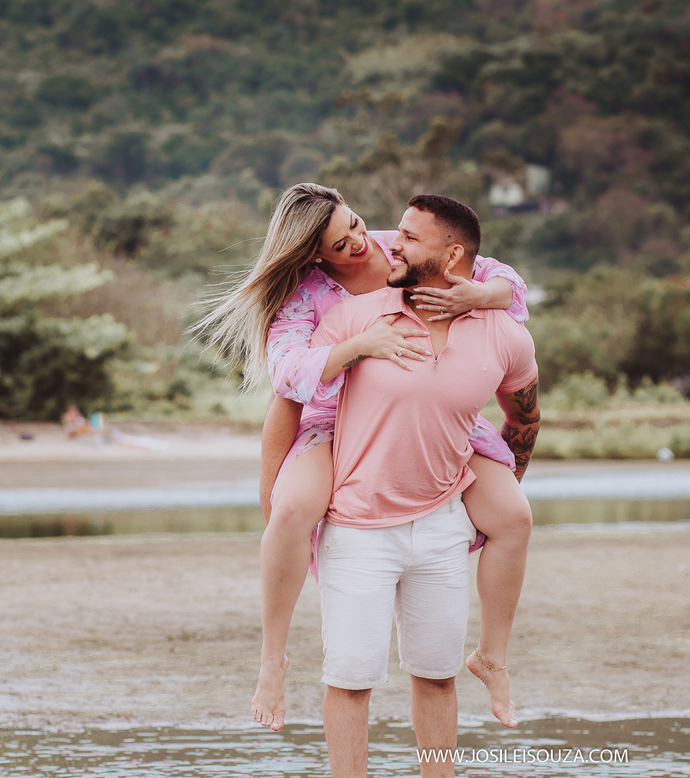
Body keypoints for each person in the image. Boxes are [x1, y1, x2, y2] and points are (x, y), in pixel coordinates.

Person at [193, 183, 532, 732]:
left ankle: (492, 655)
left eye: (353, 223)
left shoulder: (399, 245)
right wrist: (360, 346)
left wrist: (479, 294)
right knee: (291, 510)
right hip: (336, 418)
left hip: (434, 411)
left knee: (514, 515)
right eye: (338, 242)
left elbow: (505, 279)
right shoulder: (308, 296)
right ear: (312, 255)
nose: (358, 243)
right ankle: (272, 660)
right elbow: (286, 376)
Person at [312, 194, 539, 778]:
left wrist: (505, 483)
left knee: (438, 678)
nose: (392, 244)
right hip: (357, 527)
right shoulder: (353, 318)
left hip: (442, 527)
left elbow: (525, 416)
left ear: (454, 255)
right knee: (351, 681)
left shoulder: (504, 335)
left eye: (410, 237)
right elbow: (296, 398)